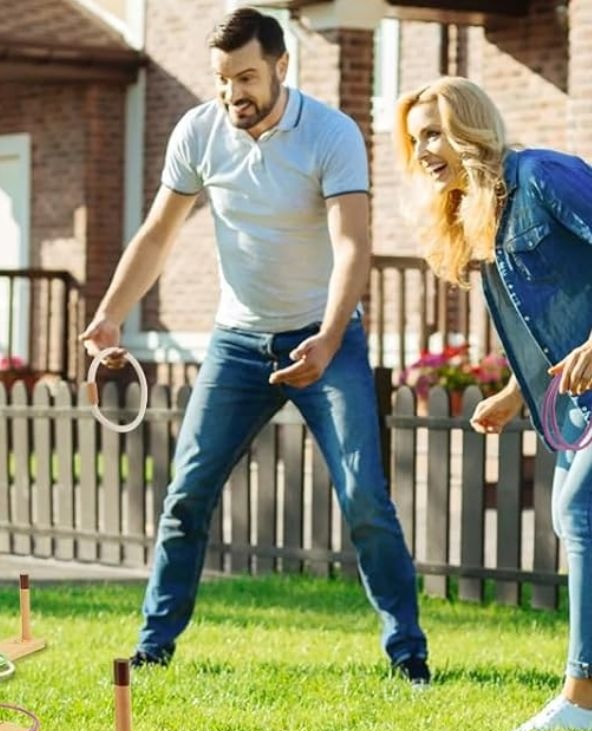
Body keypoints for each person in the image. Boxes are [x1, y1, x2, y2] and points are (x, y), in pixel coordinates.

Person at [79, 7, 430, 683]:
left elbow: (353, 244)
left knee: (363, 497)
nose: (232, 93)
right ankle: (154, 646)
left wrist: (328, 339)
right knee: (186, 493)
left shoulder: (331, 134)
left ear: (280, 67)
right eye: (221, 79)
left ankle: (408, 654)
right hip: (238, 341)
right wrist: (110, 314)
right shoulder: (200, 131)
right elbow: (157, 233)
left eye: (245, 76)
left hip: (326, 340)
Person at [395, 75, 592, 731]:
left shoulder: (541, 175)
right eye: (416, 138)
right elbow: (549, 318)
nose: (423, 149)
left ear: (471, 127)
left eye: (434, 133)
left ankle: (581, 702)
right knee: (575, 524)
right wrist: (515, 392)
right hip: (577, 402)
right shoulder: (483, 210)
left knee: (580, 512)